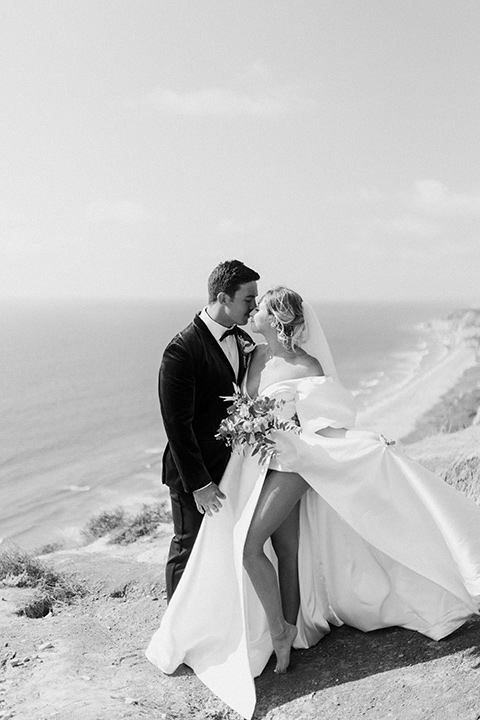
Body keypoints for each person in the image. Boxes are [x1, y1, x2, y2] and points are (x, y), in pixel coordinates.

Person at [148, 287, 480, 720]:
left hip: (295, 465)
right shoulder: (253, 355)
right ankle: (296, 629)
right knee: (286, 550)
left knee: (248, 546)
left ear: (278, 319)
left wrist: (365, 442)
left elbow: (328, 421)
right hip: (258, 466)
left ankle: (281, 632)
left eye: (261, 307)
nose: (254, 311)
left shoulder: (308, 366)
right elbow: (238, 403)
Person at [159, 259, 259, 600]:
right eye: (248, 299)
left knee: (223, 548)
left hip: (234, 468)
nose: (254, 306)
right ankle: (175, 632)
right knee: (189, 546)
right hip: (195, 475)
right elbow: (176, 425)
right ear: (223, 297)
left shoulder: (244, 340)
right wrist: (200, 484)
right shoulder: (181, 350)